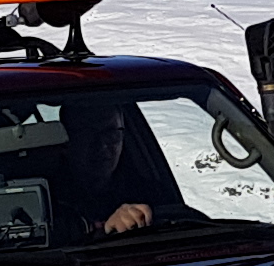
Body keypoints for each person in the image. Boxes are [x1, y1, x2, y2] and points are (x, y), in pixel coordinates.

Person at [55, 96, 202, 241]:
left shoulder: (150, 193)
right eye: (87, 134)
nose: (102, 145)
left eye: (111, 133)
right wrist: (106, 231)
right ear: (66, 142)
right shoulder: (48, 198)